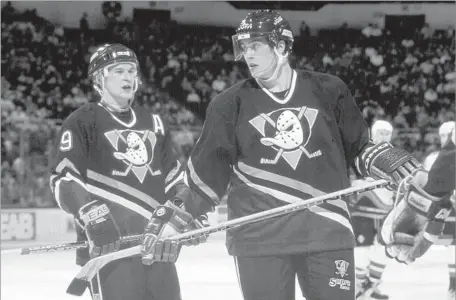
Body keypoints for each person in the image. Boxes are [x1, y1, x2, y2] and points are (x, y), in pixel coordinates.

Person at [141, 10, 422, 300]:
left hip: (326, 231)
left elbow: (359, 146)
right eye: (245, 47)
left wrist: (383, 159)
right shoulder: (227, 105)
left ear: (283, 46)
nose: (248, 55)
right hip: (258, 239)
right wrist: (175, 217)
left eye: (257, 46)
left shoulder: (328, 89)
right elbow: (205, 179)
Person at [50, 43, 206, 300]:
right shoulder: (82, 120)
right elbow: (64, 178)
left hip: (157, 248)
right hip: (111, 252)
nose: (127, 77)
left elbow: (175, 180)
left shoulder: (154, 122)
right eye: (118, 70)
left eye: (131, 71)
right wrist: (91, 213)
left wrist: (182, 212)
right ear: (100, 78)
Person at [351, 120, 395, 300]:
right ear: (372, 134)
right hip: (362, 211)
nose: (384, 136)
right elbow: (350, 176)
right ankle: (360, 284)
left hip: (386, 213)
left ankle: (373, 285)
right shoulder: (361, 153)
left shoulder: (395, 155)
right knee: (362, 249)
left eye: (387, 133)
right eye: (381, 132)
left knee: (383, 249)